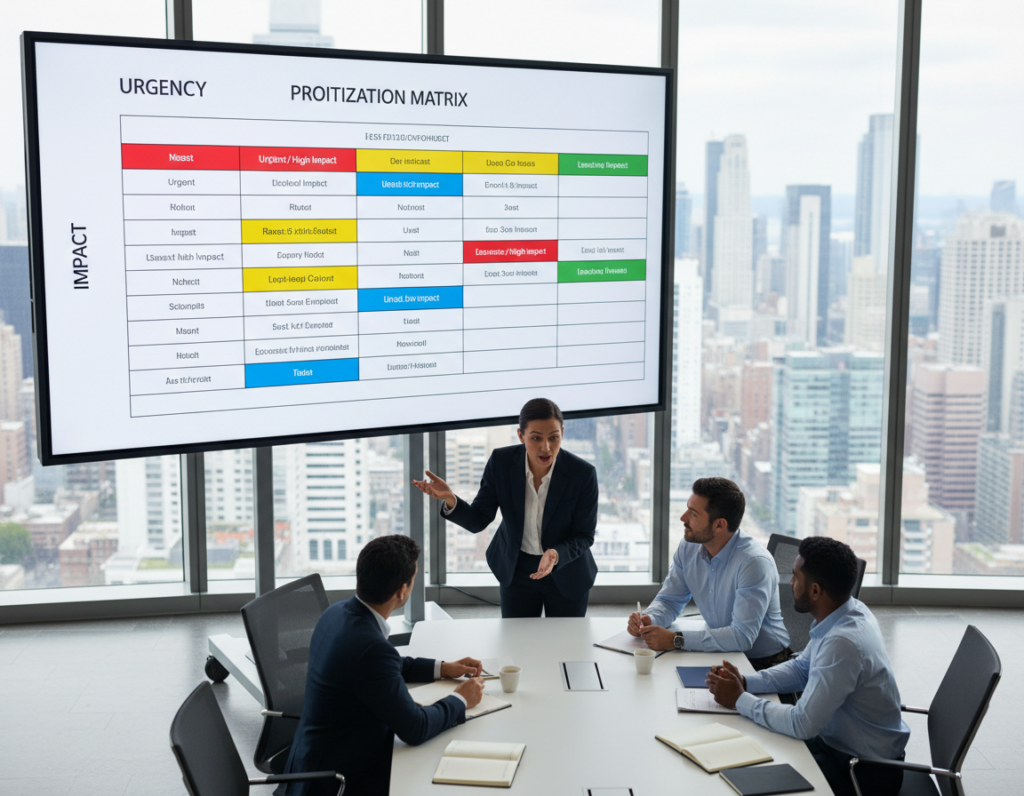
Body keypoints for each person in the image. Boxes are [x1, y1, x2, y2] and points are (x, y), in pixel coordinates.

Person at [277, 535, 485, 796]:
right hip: (336, 780)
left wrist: (442, 668)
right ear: (401, 591)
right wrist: (460, 700)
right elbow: (415, 728)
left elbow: (386, 665)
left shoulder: (337, 613)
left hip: (310, 760)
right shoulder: (370, 649)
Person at [706, 536, 910, 796]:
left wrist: (740, 700)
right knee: (750, 751)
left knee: (754, 781)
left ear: (815, 591)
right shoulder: (847, 612)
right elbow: (802, 668)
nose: (789, 582)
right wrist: (747, 683)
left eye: (795, 577)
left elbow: (802, 724)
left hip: (863, 773)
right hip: (836, 745)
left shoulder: (843, 643)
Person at [413, 397, 598, 618]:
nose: (546, 447)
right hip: (516, 569)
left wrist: (556, 554)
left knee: (566, 646)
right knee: (515, 645)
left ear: (563, 433)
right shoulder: (501, 462)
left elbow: (584, 535)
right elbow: (478, 519)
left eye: (554, 437)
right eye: (536, 438)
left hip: (567, 570)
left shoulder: (583, 473)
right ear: (521, 435)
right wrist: (451, 499)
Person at [627, 477, 791, 669]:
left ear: (719, 525)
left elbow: (742, 637)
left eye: (693, 514)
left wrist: (676, 640)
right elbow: (670, 600)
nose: (683, 518)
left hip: (763, 663)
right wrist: (651, 619)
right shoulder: (688, 547)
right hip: (719, 654)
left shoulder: (753, 563)